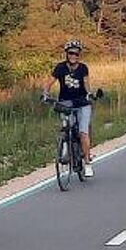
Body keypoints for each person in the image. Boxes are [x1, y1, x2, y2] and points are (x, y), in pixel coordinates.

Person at [43, 40, 96, 178]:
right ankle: (65, 149)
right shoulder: (60, 67)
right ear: (67, 54)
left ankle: (87, 163)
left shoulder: (83, 68)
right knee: (66, 127)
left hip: (82, 103)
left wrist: (89, 94)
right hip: (65, 103)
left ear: (79, 55)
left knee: (83, 132)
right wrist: (45, 93)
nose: (74, 56)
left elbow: (86, 83)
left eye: (76, 54)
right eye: (71, 53)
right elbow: (50, 82)